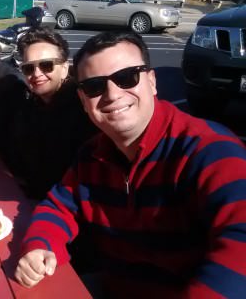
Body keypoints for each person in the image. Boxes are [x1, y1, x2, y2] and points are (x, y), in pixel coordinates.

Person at [14, 31, 246, 297]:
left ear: (152, 81)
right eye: (95, 86)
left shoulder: (211, 151)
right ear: (83, 100)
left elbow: (240, 249)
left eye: (127, 78)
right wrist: (39, 246)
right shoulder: (92, 155)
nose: (112, 94)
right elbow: (58, 207)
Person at [0, 27, 97, 200]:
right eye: (29, 68)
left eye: (46, 65)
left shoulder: (84, 111)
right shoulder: (29, 107)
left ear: (65, 68)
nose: (37, 74)